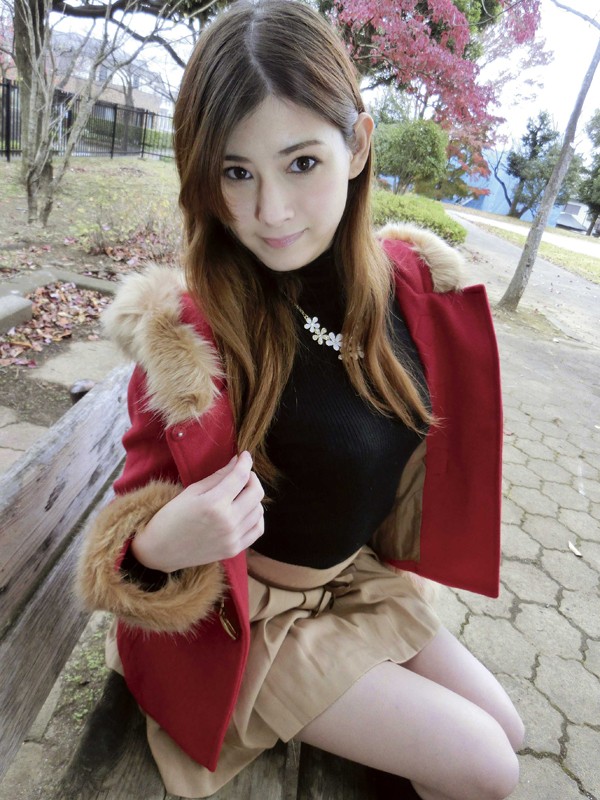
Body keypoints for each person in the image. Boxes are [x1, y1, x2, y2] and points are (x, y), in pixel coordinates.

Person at [76, 1, 524, 798]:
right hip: (244, 625)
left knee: (509, 730)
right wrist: (158, 547)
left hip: (354, 585)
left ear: (357, 145)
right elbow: (119, 550)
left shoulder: (406, 286)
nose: (270, 211)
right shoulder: (191, 339)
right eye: (236, 172)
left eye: (301, 162)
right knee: (488, 764)